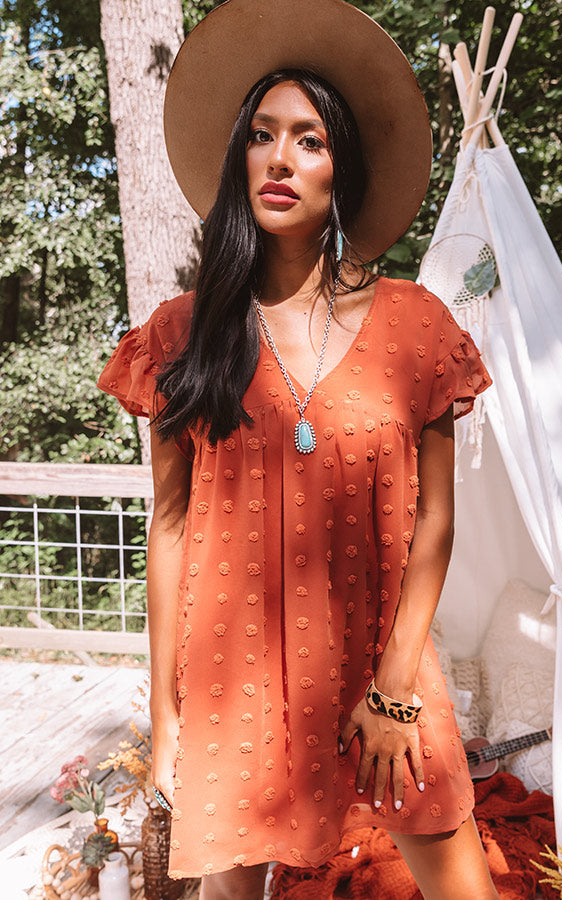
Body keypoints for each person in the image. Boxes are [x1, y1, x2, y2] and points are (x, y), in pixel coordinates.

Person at [98, 1, 496, 897]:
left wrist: (394, 691)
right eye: (262, 135)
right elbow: (169, 527)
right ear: (239, 158)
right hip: (232, 678)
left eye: (308, 140)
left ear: (339, 169)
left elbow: (435, 522)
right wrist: (166, 717)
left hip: (384, 671)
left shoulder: (416, 326)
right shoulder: (182, 336)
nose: (280, 159)